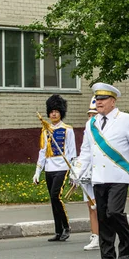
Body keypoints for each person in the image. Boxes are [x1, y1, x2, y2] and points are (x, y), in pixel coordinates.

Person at [76, 83, 129, 259]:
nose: (98, 102)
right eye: (97, 99)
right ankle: (107, 257)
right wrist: (77, 171)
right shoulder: (91, 123)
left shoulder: (126, 120)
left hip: (118, 175)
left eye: (102, 99)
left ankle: (125, 248)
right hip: (99, 177)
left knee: (115, 212)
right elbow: (86, 150)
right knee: (103, 217)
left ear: (112, 101)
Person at [33, 94, 76, 242]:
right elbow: (42, 151)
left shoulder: (68, 130)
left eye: (57, 111)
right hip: (49, 168)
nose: (54, 114)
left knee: (56, 196)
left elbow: (72, 152)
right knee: (52, 200)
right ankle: (58, 231)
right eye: (51, 111)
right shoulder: (45, 130)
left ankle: (66, 227)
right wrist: (37, 172)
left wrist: (74, 173)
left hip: (62, 167)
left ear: (61, 113)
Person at [80, 96, 100, 251]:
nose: (91, 118)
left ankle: (105, 234)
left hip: (101, 173)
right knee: (91, 205)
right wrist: (78, 171)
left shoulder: (105, 130)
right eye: (90, 115)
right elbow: (84, 151)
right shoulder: (88, 129)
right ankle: (95, 236)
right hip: (88, 172)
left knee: (100, 206)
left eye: (94, 115)